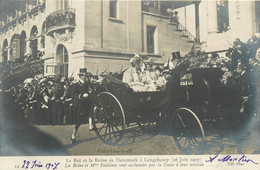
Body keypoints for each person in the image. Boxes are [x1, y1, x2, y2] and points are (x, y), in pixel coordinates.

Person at [70, 68, 93, 144]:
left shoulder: (87, 84)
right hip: (79, 104)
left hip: (87, 103)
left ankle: (90, 125)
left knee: (91, 110)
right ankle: (73, 134)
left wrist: (90, 91)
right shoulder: (75, 85)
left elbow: (90, 90)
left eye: (86, 76)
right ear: (80, 76)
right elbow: (73, 94)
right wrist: (82, 95)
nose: (85, 77)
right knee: (79, 121)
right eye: (84, 76)